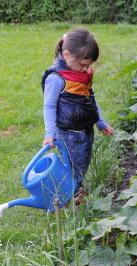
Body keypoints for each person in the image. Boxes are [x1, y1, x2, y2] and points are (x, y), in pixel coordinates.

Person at [41, 28, 114, 205]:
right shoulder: (57, 78)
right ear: (67, 55)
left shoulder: (82, 74)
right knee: (75, 166)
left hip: (85, 129)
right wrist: (50, 133)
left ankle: (74, 190)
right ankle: (71, 197)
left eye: (88, 65)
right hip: (69, 132)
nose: (86, 69)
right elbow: (49, 106)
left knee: (81, 163)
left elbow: (90, 97)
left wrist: (101, 123)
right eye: (82, 64)